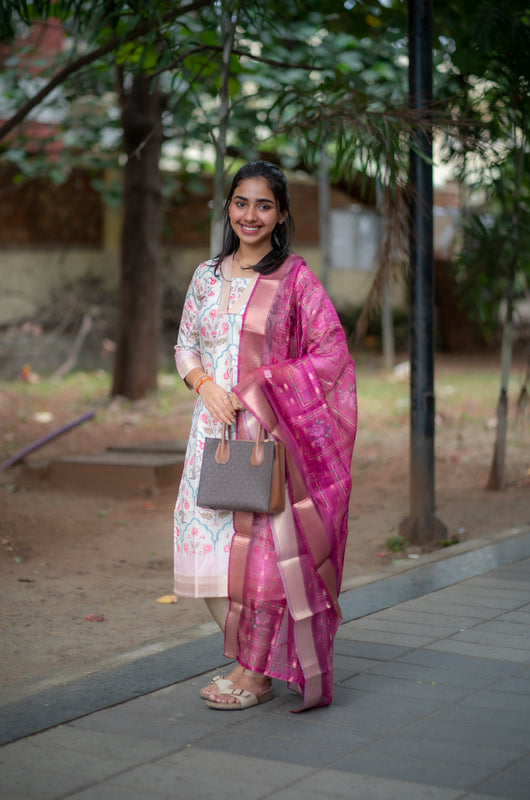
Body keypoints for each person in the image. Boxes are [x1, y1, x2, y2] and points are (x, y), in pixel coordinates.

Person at [173, 160, 357, 711]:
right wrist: (204, 385)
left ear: (280, 215)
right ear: (227, 207)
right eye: (240, 202)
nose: (250, 214)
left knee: (264, 558)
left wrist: (263, 383)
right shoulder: (207, 274)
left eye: (264, 205)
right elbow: (184, 345)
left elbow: (331, 355)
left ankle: (254, 672)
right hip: (213, 435)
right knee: (201, 558)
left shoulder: (295, 279)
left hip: (268, 440)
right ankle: (251, 658)